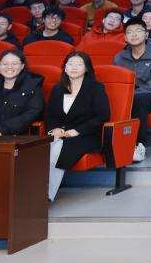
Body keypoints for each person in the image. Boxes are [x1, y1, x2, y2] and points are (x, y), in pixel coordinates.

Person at [45, 52, 110, 200]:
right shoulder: (58, 89)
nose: (73, 67)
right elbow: (50, 114)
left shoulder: (96, 88)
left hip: (86, 135)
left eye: (79, 64)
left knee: (57, 148)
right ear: (65, 68)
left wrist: (78, 130)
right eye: (70, 64)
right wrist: (54, 129)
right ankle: (34, 193)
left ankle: (47, 195)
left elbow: (102, 116)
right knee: (43, 147)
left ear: (86, 68)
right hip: (61, 134)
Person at [114, 18, 151, 163]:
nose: (133, 34)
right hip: (131, 96)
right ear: (125, 37)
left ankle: (139, 145)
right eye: (129, 32)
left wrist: (130, 96)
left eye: (138, 31)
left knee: (139, 100)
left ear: (146, 34)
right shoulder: (119, 57)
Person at [0, 49, 45, 136]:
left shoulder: (32, 84)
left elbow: (33, 112)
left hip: (18, 136)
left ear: (22, 66)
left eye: (14, 64)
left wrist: (3, 129)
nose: (9, 67)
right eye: (5, 64)